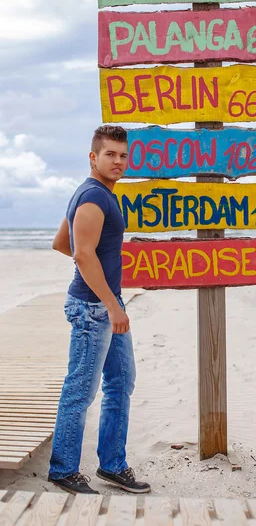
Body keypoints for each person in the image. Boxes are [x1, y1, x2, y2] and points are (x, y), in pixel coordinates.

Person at [48, 126, 151, 495]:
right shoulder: (94, 197)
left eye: (123, 155)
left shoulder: (95, 193)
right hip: (96, 310)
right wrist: (109, 303)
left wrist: (103, 281)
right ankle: (63, 469)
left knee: (121, 383)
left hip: (105, 303)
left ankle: (112, 465)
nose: (118, 161)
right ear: (94, 157)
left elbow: (62, 242)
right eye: (110, 154)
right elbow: (79, 251)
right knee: (80, 390)